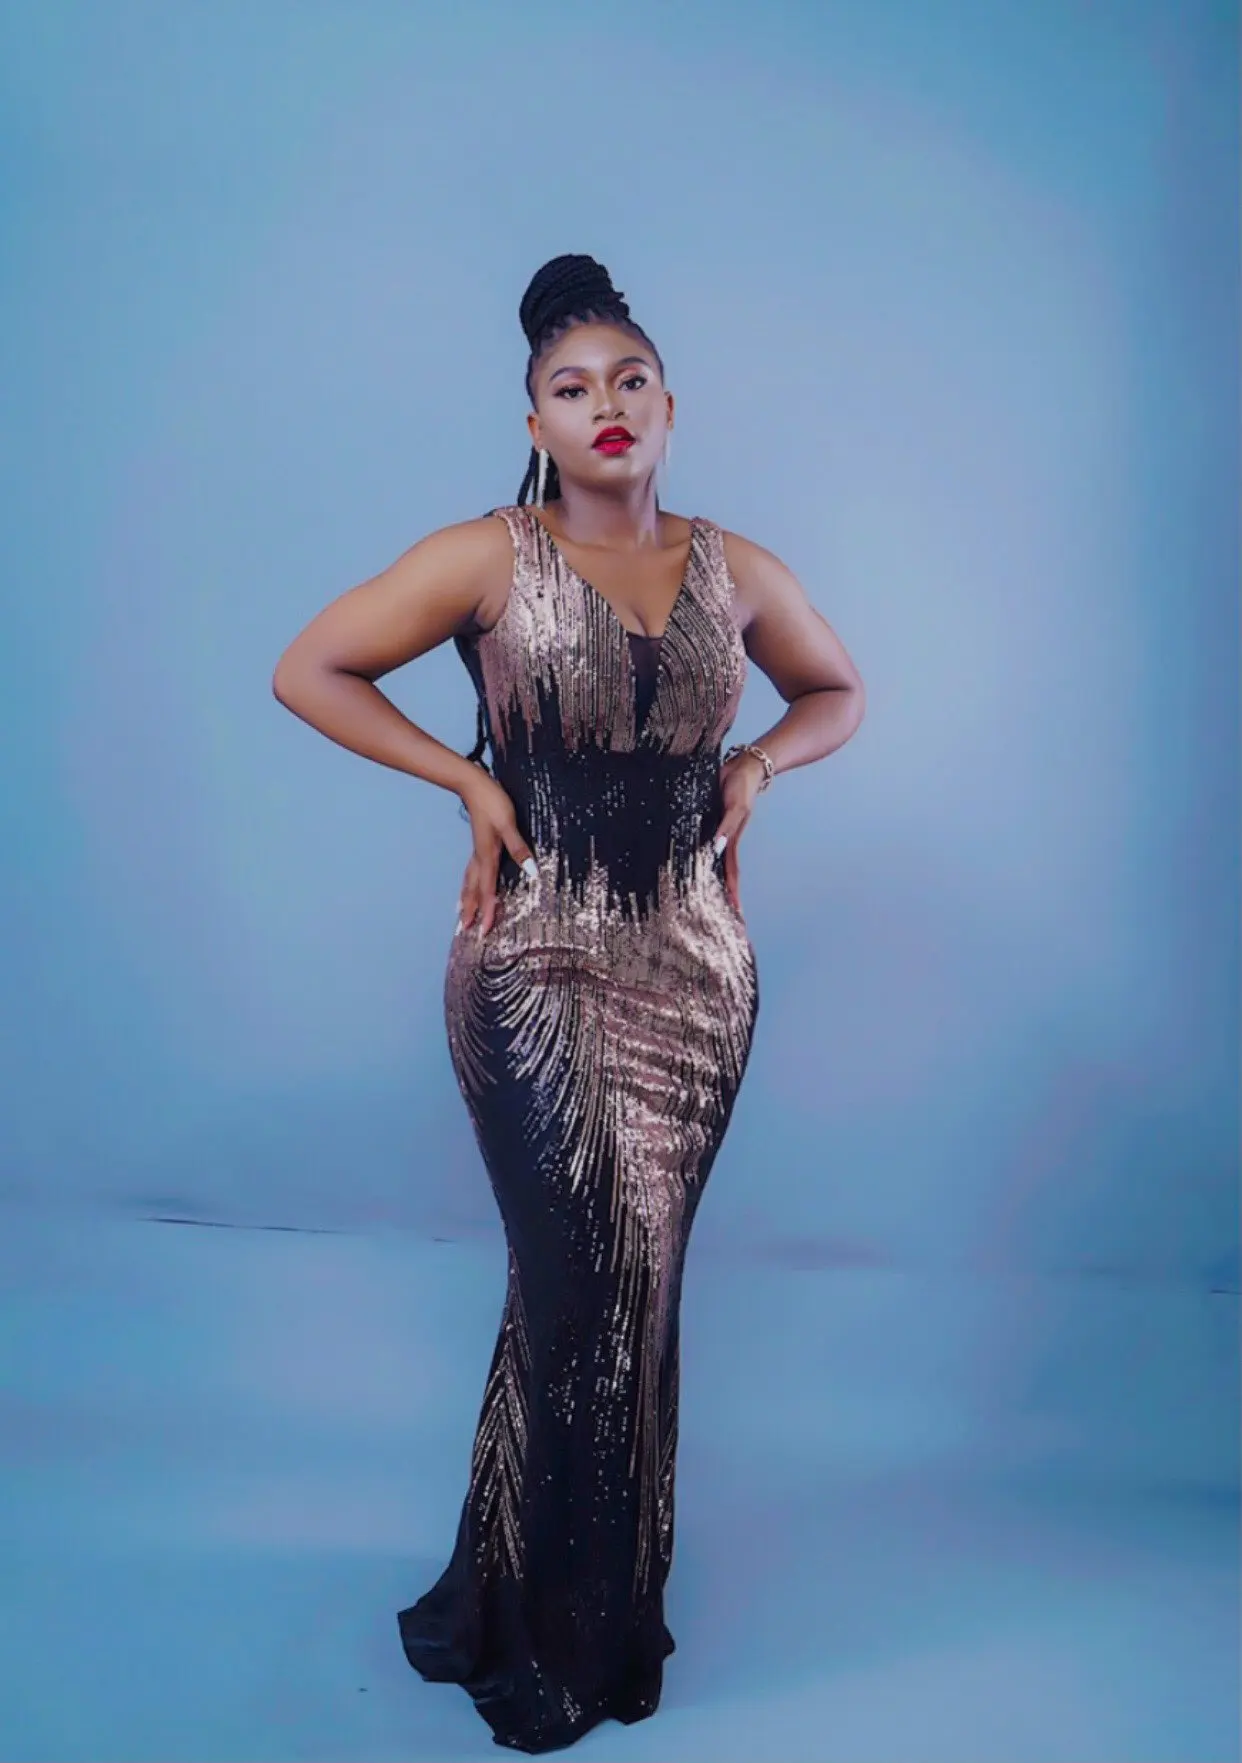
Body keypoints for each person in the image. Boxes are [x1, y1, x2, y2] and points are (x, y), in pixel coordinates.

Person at [271, 253, 865, 1754]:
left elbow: (836, 691)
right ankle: (557, 1640)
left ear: (670, 404)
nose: (606, 403)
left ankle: (549, 1606)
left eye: (629, 379)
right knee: (584, 1274)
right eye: (571, 385)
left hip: (695, 969)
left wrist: (755, 766)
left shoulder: (737, 568)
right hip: (534, 955)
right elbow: (310, 668)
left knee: (626, 1291)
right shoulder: (487, 556)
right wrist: (467, 780)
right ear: (533, 418)